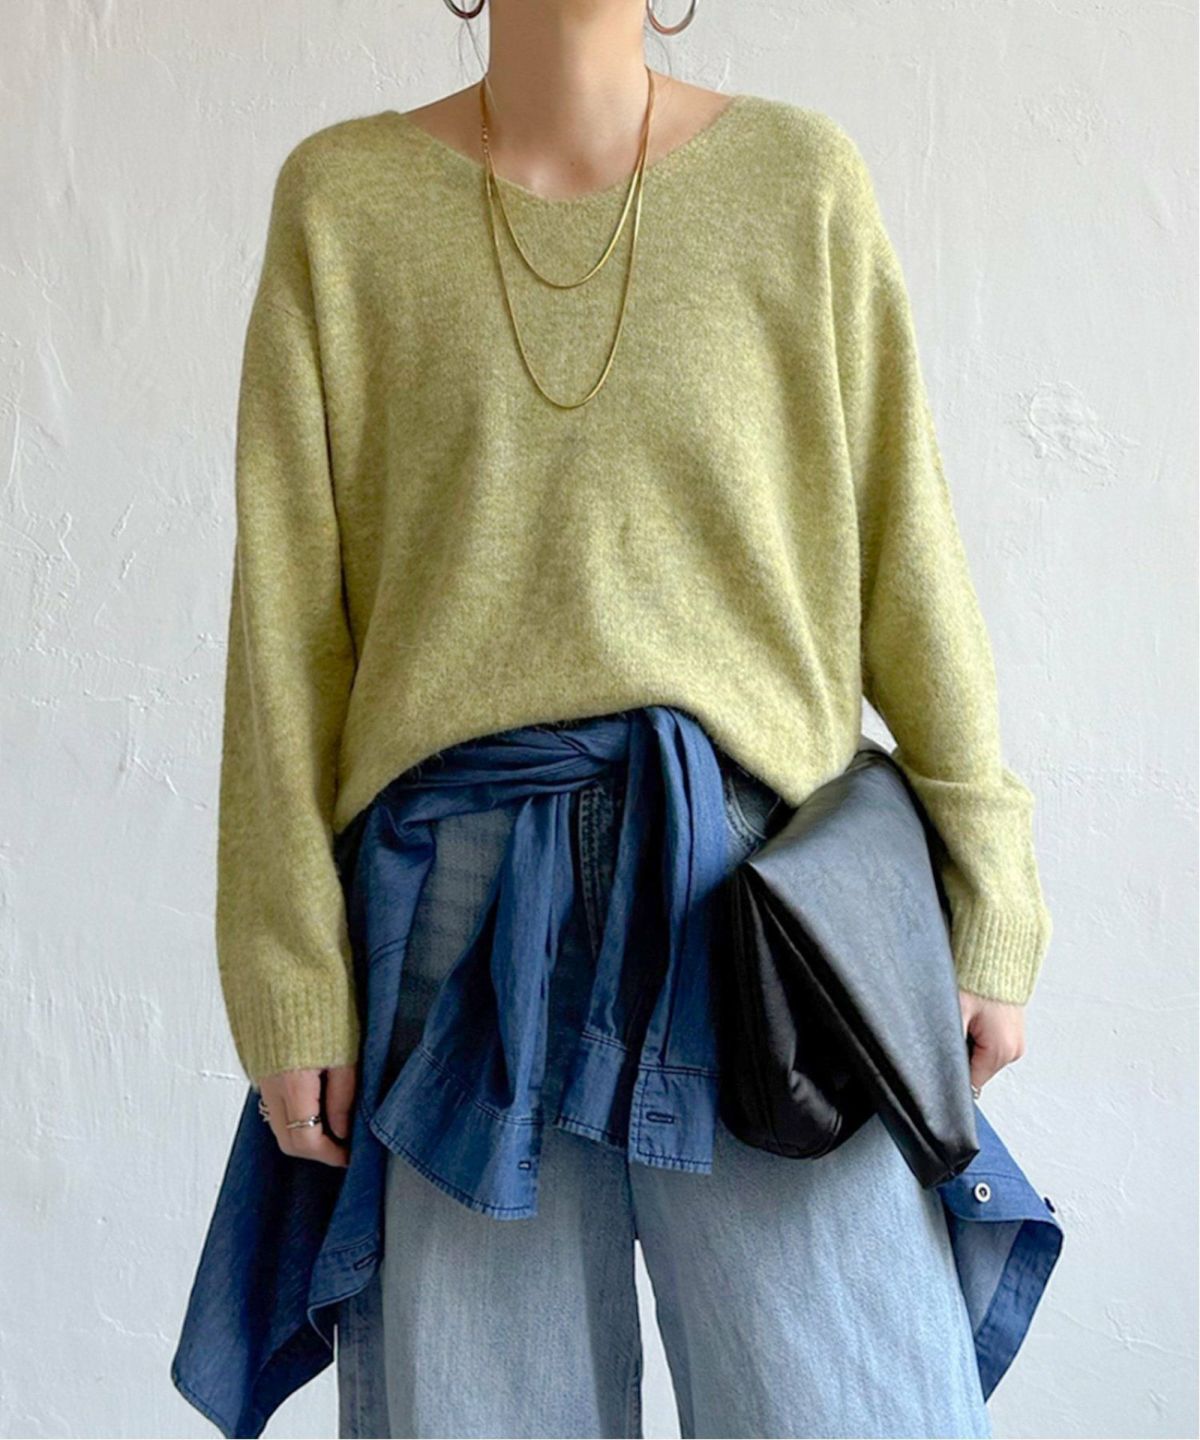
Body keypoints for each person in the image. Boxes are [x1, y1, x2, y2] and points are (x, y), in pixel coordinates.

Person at [187, 2, 1058, 1435]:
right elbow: (287, 627)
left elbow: (907, 551)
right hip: (461, 928)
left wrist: (990, 887)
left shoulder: (799, 181)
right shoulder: (341, 205)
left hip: (764, 921)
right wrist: (287, 968)